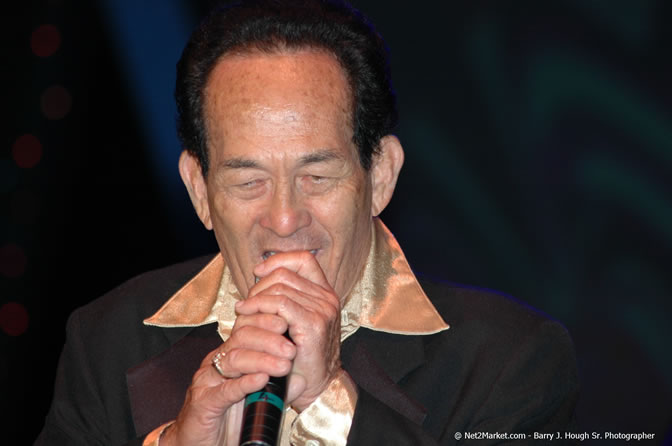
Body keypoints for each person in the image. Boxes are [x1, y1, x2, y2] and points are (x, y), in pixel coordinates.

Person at [36, 1, 579, 445]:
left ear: (380, 175)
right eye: (248, 181)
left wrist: (329, 404)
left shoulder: (510, 359)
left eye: (316, 176)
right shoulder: (108, 340)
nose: (284, 219)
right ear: (199, 189)